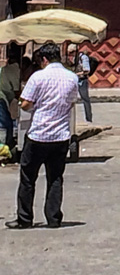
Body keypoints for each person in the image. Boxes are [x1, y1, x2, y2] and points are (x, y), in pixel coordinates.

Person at [5, 44, 79, 230]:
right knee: (55, 178)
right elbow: (71, 102)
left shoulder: (38, 77)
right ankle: (53, 218)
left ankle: (25, 218)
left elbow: (26, 104)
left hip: (39, 134)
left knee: (28, 177)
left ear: (44, 59)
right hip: (61, 135)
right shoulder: (72, 78)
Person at [67, 45, 93, 124]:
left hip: (82, 80)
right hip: (75, 80)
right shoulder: (75, 58)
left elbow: (87, 70)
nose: (71, 54)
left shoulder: (83, 58)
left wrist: (76, 74)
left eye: (72, 52)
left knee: (85, 99)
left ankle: (88, 118)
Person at [0, 53, 21, 149]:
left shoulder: (4, 69)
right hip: (2, 99)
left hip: (4, 97)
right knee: (6, 124)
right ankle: (6, 146)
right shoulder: (13, 69)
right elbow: (16, 90)